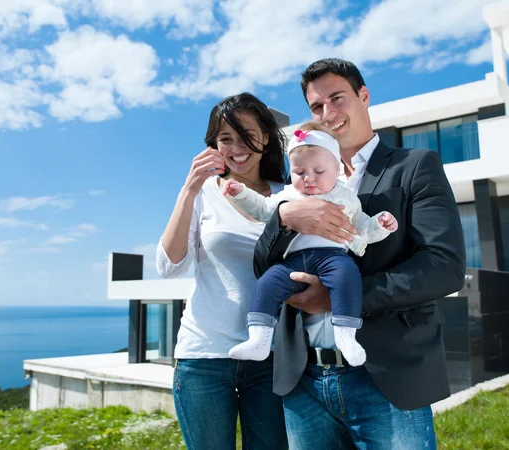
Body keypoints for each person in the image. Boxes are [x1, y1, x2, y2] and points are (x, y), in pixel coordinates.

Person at [254, 58, 466, 449]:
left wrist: (337, 300)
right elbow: (261, 266)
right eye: (316, 107)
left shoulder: (414, 167)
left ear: (364, 96)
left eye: (337, 98)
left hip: (385, 379)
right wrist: (284, 218)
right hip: (304, 381)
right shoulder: (300, 183)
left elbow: (444, 265)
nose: (327, 113)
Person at [156, 92, 288, 450]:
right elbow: (169, 266)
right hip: (204, 359)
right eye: (225, 139)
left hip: (271, 358)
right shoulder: (203, 194)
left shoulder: (288, 196)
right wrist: (188, 189)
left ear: (265, 137)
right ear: (214, 146)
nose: (237, 147)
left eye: (247, 135)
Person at [224, 121, 398, 366]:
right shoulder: (288, 196)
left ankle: (346, 336)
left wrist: (380, 224)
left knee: (347, 276)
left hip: (333, 256)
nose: (309, 179)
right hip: (294, 260)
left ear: (336, 169)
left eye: (319, 172)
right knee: (267, 283)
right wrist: (241, 193)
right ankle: (259, 339)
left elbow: (361, 228)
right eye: (299, 172)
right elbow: (263, 209)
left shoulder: (346, 197)